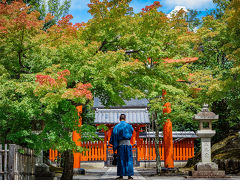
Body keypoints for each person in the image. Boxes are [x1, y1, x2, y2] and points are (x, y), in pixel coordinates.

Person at [110, 114, 134, 180]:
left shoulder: (116, 127)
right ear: (125, 118)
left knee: (121, 160)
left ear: (119, 119)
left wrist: (115, 146)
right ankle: (129, 176)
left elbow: (113, 137)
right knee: (129, 160)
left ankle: (121, 176)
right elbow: (132, 132)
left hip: (120, 146)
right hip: (128, 145)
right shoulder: (129, 126)